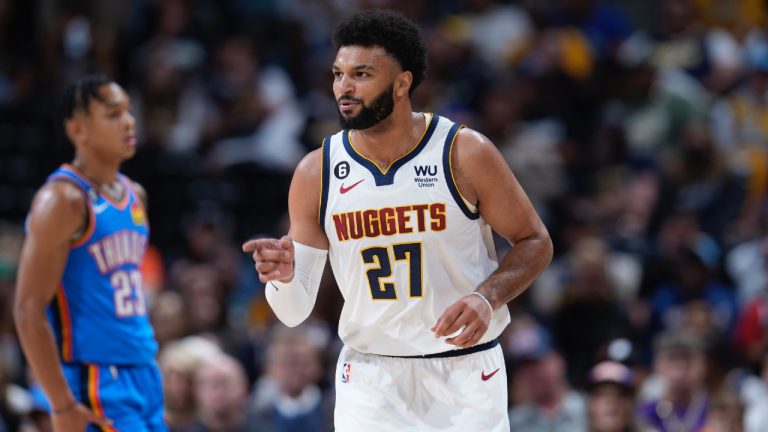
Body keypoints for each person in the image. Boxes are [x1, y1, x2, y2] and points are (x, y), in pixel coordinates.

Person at [242, 9, 552, 431]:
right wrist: (283, 277)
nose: (344, 88)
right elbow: (294, 312)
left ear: (403, 82)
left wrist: (488, 297)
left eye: (362, 74)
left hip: (465, 372)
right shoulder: (317, 171)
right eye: (338, 74)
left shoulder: (464, 153)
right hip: (371, 380)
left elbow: (535, 241)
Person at [13, 75, 166, 431]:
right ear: (77, 130)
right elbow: (27, 308)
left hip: (144, 371)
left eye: (129, 111)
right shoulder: (63, 200)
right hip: (94, 376)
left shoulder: (135, 195)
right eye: (113, 114)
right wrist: (61, 403)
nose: (129, 121)